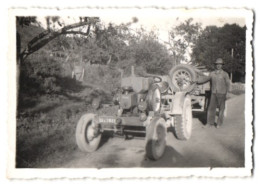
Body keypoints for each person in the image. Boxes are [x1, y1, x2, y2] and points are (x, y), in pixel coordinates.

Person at [195, 58, 230, 128]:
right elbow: (205, 79)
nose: (218, 66)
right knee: (211, 108)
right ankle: (209, 123)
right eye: (217, 64)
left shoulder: (225, 74)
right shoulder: (212, 74)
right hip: (213, 93)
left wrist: (227, 93)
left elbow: (228, 84)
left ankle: (219, 123)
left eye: (220, 64)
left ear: (222, 65)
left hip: (222, 93)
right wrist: (196, 81)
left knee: (221, 109)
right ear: (215, 65)